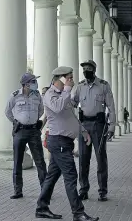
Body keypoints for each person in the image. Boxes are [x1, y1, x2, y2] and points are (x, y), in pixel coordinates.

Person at [35, 66, 99, 221]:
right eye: (69, 77)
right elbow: (57, 108)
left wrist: (83, 131)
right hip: (59, 141)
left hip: (65, 142)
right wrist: (67, 90)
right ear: (61, 78)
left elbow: (71, 117)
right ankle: (78, 213)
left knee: (52, 176)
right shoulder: (50, 95)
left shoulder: (64, 95)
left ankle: (42, 208)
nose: (72, 80)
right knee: (71, 176)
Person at [72, 60, 116, 202]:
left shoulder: (103, 85)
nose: (86, 71)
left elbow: (111, 107)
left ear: (94, 70)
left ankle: (102, 191)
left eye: (88, 68)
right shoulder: (79, 86)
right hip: (84, 125)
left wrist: (112, 126)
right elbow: (72, 103)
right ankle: (83, 190)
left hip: (98, 126)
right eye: (84, 68)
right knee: (83, 159)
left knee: (100, 159)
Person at [5, 73, 47, 199]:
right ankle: (18, 191)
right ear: (26, 84)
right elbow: (7, 111)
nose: (36, 83)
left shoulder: (37, 95)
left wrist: (33, 120)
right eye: (33, 81)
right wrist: (16, 121)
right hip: (20, 131)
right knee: (18, 161)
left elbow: (41, 110)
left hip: (34, 131)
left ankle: (45, 190)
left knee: (40, 161)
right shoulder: (15, 95)